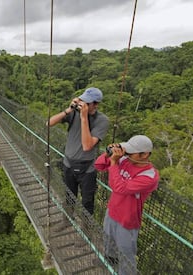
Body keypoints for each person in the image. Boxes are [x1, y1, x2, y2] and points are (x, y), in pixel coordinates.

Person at [94, 135, 159, 275]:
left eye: (131, 152)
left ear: (145, 154)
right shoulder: (124, 160)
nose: (127, 154)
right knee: (107, 238)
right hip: (112, 210)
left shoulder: (149, 176)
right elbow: (98, 165)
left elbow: (119, 187)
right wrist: (108, 153)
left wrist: (114, 163)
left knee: (126, 251)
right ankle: (110, 260)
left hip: (127, 219)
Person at [48, 87, 109, 232]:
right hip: (68, 163)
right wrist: (68, 110)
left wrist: (83, 118)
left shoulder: (102, 121)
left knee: (87, 201)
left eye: (86, 102)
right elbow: (49, 123)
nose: (82, 104)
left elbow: (87, 145)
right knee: (69, 195)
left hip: (87, 168)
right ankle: (67, 220)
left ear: (95, 104)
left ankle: (86, 231)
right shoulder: (74, 113)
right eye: (82, 100)